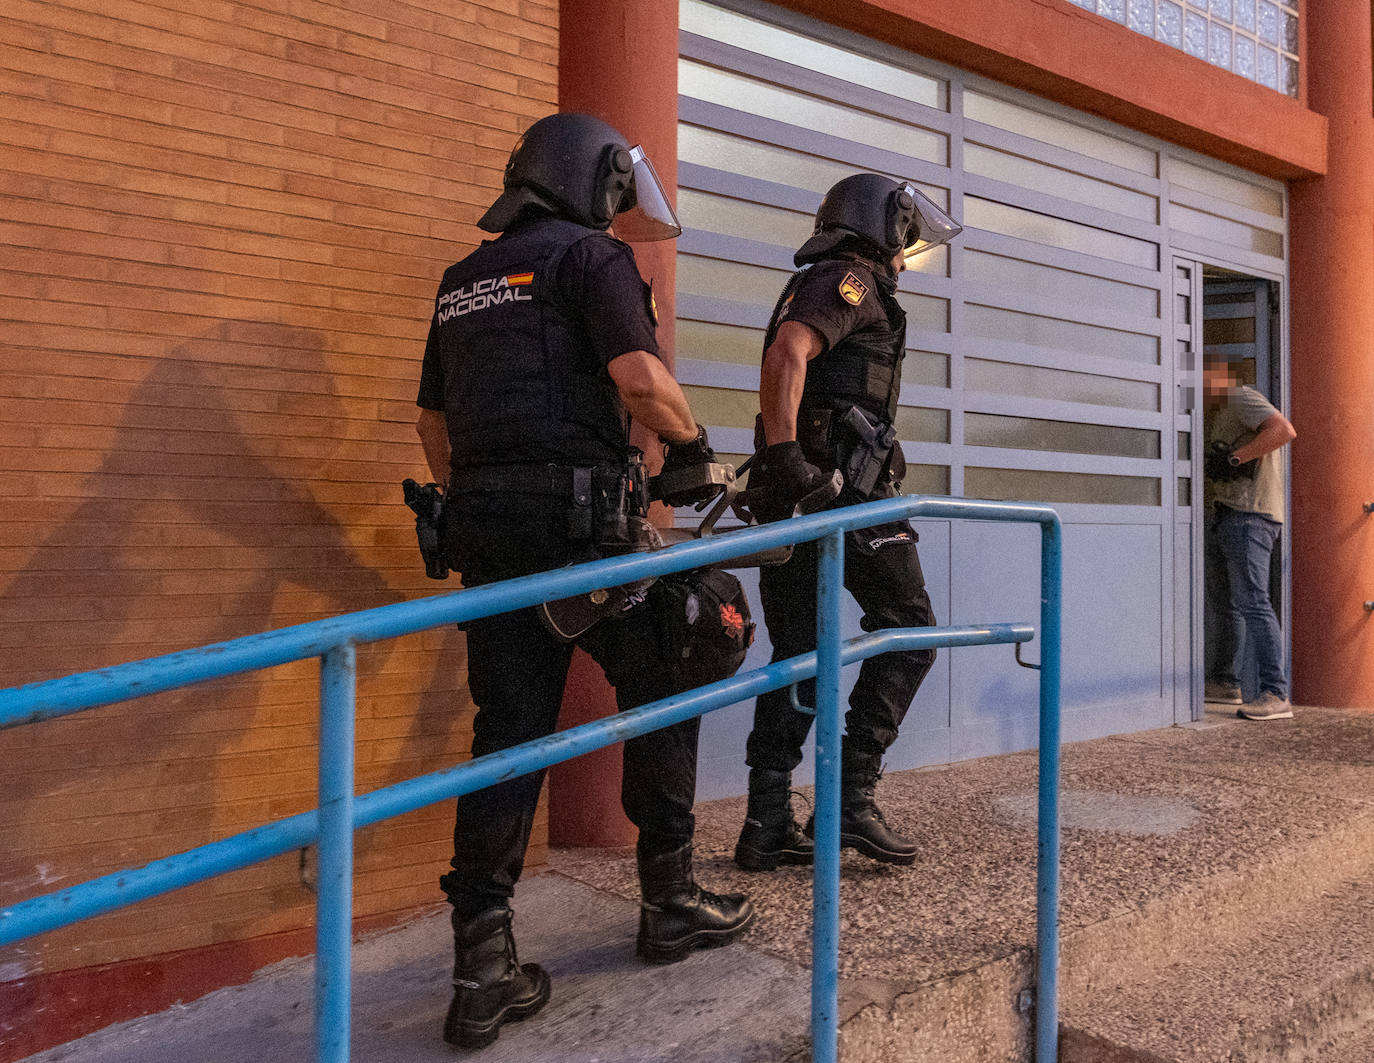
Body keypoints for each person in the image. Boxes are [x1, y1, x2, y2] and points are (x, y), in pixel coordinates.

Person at [414, 111, 753, 1050]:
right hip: (584, 542)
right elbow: (640, 380)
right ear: (596, 180)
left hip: (492, 545)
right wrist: (695, 445)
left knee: (508, 734)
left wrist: (490, 502)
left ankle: (482, 966)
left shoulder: (462, 281)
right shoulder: (593, 258)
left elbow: (432, 428)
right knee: (680, 660)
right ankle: (670, 896)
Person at [734, 174, 963, 873]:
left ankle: (767, 821)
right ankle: (849, 797)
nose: (907, 255)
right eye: (905, 238)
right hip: (837, 496)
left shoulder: (822, 280)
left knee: (799, 652)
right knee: (911, 631)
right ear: (882, 227)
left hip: (802, 498)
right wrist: (788, 459)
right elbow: (788, 352)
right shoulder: (848, 280)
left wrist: (785, 468)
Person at [1201, 352, 1297, 721]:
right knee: (1229, 604)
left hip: (1250, 516)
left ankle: (1276, 692)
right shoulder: (1219, 412)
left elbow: (1283, 430)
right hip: (1229, 514)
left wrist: (1235, 459)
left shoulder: (1239, 396)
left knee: (1253, 602)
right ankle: (1226, 682)